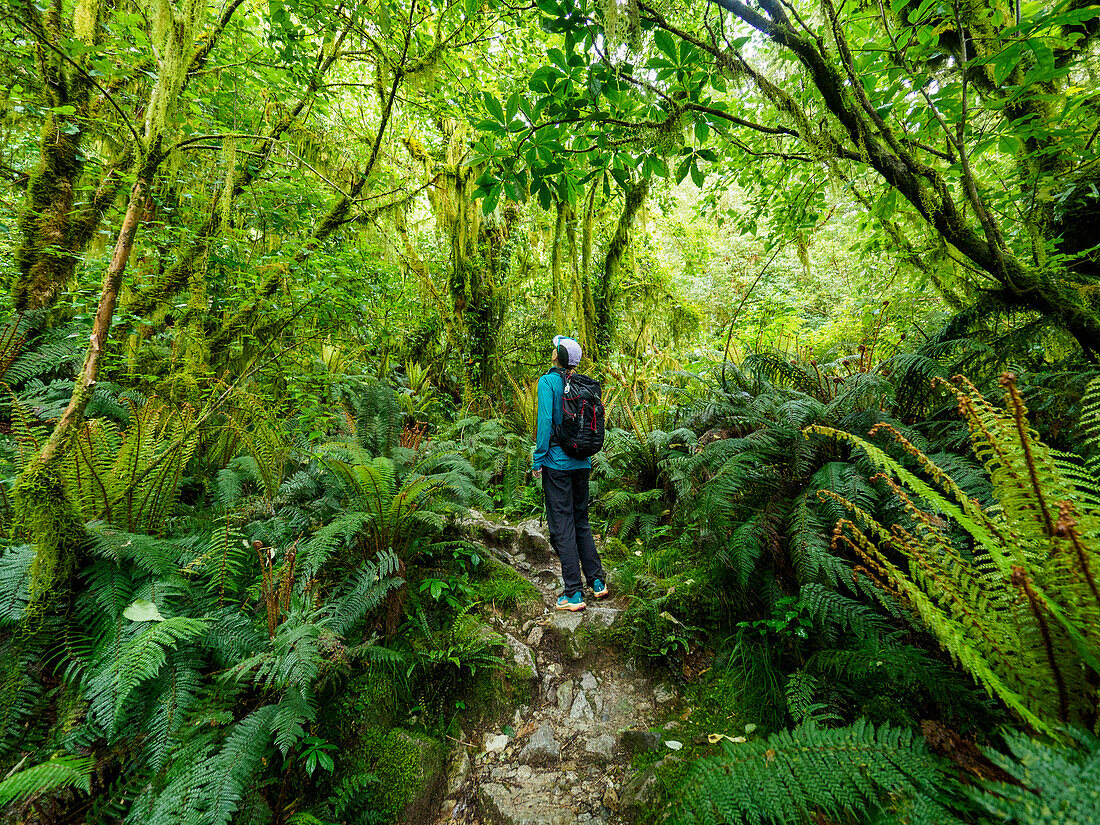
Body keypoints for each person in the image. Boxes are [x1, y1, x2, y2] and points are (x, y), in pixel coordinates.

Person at [532, 334, 609, 611]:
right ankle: (598, 583)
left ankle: (574, 594)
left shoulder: (548, 382)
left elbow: (544, 424)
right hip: (582, 462)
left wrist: (538, 460)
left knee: (562, 524)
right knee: (580, 520)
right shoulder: (582, 384)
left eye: (555, 349)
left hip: (557, 464)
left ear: (557, 357)